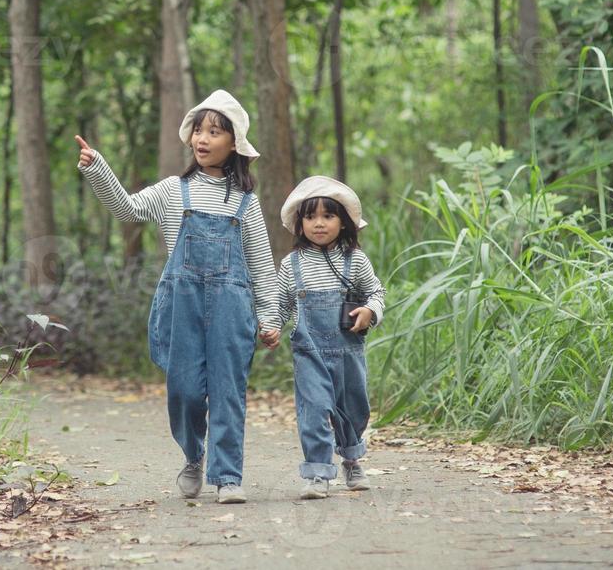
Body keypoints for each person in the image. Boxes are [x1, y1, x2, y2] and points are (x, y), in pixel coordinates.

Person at [76, 89, 281, 504]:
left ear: (234, 145)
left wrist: (271, 314)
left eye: (215, 132)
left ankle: (227, 477)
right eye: (199, 131)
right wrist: (98, 168)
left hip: (232, 308)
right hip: (181, 307)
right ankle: (194, 455)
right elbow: (127, 210)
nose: (203, 139)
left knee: (228, 390)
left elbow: (261, 261)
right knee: (185, 390)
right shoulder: (173, 190)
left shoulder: (246, 201)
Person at [266, 176, 386, 498]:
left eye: (328, 216)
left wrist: (369, 312)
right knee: (315, 410)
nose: (318, 223)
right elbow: (282, 303)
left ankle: (350, 459)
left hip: (348, 353)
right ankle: (318, 473)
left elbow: (376, 292)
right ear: (299, 223)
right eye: (310, 217)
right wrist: (272, 325)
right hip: (310, 354)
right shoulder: (292, 264)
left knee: (353, 409)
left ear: (344, 222)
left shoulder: (355, 260)